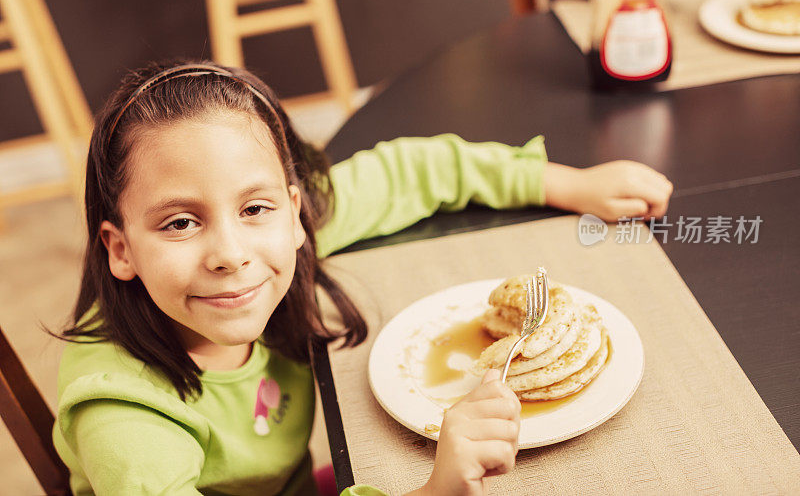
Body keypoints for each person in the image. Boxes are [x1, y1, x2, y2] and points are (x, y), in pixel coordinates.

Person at [51, 59, 672, 496]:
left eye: (255, 208)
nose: (230, 253)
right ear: (120, 247)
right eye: (181, 223)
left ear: (296, 212)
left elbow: (413, 171)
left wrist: (565, 183)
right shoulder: (123, 421)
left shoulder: (280, 231)